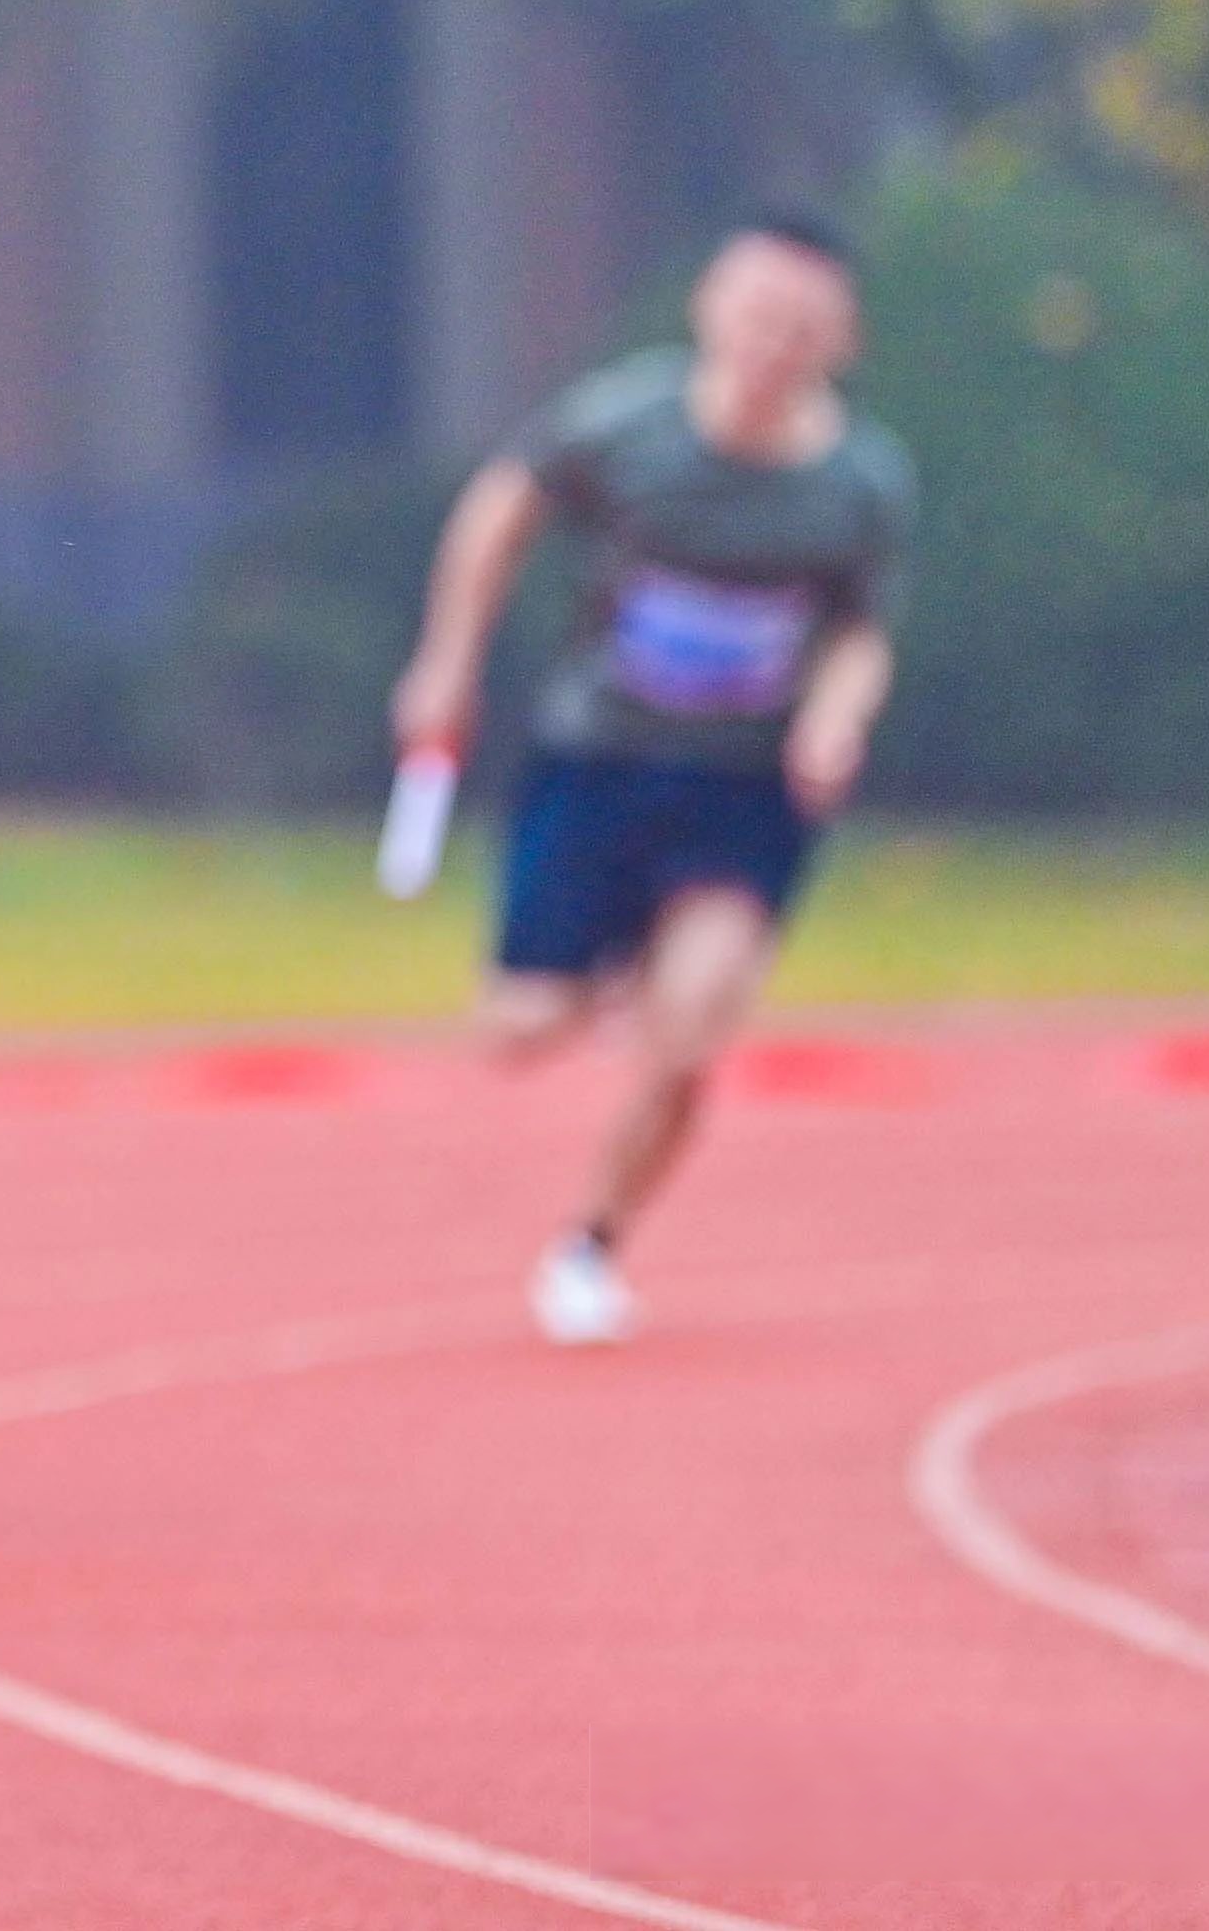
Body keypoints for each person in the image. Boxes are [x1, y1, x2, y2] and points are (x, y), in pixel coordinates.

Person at [386, 215, 913, 1349]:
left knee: (692, 1032)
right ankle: (614, 962)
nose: (775, 345)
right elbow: (500, 510)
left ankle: (593, 1242)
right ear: (712, 310)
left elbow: (861, 631)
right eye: (759, 315)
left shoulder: (857, 485)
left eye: (803, 328)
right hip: (605, 756)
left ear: (842, 342)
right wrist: (448, 661)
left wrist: (835, 715)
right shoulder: (627, 426)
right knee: (521, 1024)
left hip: (746, 787)